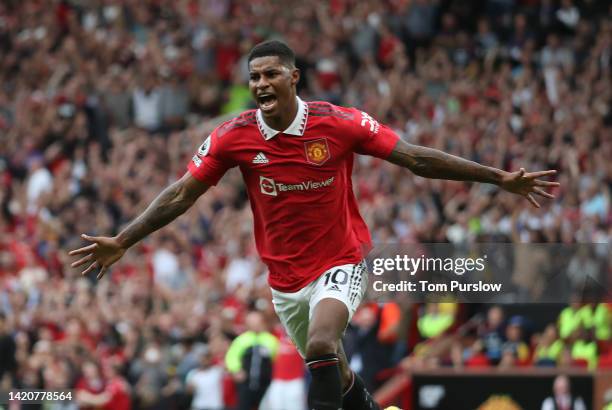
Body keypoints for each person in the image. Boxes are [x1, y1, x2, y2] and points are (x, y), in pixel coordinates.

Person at [69, 40, 559, 410]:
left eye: (271, 74)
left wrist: (498, 178)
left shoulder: (337, 122)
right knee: (334, 371)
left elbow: (414, 158)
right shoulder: (232, 137)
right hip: (285, 281)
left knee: (324, 345)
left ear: (294, 77)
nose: (260, 83)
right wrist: (124, 240)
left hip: (340, 261)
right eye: (254, 76)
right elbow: (181, 193)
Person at [225, 311, 279, 410]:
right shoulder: (242, 340)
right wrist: (236, 370)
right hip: (246, 384)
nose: (255, 325)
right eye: (252, 323)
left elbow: (277, 360)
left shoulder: (271, 340)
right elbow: (231, 356)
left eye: (257, 322)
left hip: (266, 384)